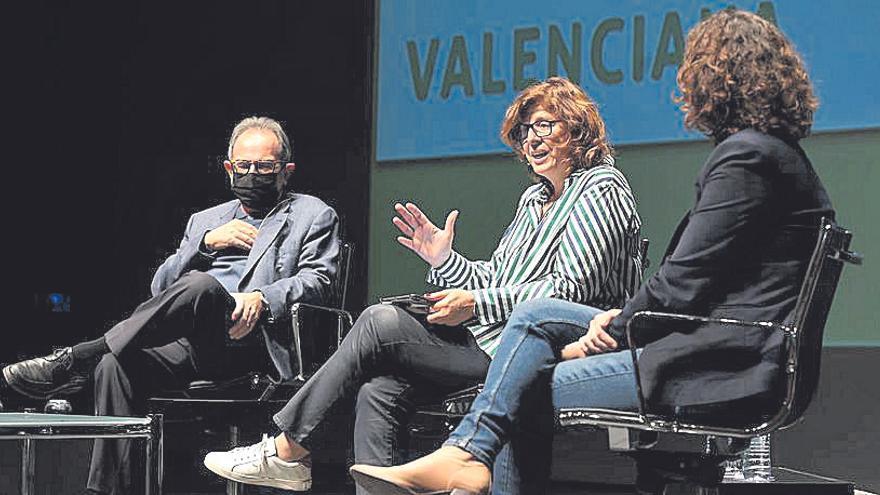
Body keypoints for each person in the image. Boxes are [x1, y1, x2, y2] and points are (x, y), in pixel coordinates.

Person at [350, 8, 833, 495]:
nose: (685, 85)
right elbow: (698, 283)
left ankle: (467, 453)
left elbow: (682, 284)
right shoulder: (779, 158)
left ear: (717, 77)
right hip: (729, 357)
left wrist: (616, 330)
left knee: (520, 377)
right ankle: (467, 456)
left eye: (693, 69)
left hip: (720, 368)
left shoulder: (746, 158)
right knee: (517, 361)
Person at [202, 77, 643, 492]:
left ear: (578, 128)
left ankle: (287, 449)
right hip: (495, 340)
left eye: (544, 125)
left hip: (553, 347)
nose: (532, 139)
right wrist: (444, 259)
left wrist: (475, 302)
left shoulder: (600, 187)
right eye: (524, 131)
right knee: (380, 391)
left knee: (378, 322)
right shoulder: (534, 200)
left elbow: (569, 288)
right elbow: (495, 280)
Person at [1, 116, 341, 494]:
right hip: (192, 344)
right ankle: (106, 489)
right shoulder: (205, 221)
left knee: (200, 285)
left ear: (286, 171)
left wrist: (263, 298)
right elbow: (160, 289)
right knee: (117, 363)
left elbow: (319, 283)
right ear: (229, 168)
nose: (252, 174)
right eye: (243, 166)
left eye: (264, 167)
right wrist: (205, 244)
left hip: (255, 342)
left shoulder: (313, 214)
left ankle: (77, 359)